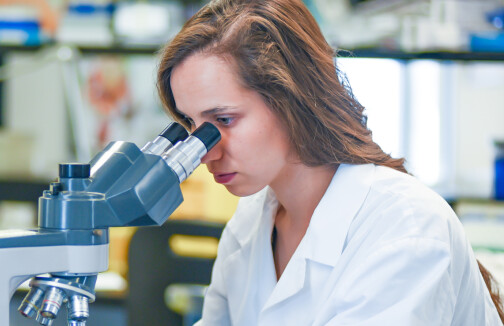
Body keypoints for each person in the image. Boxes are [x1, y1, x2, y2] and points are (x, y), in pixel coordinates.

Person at [156, 0, 504, 324]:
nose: (205, 153)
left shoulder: (405, 227)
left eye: (224, 120)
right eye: (191, 126)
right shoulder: (250, 223)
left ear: (291, 99)